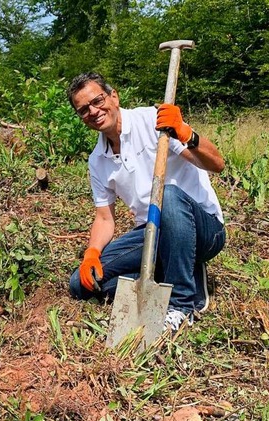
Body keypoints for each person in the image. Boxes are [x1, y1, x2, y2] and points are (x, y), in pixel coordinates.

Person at [67, 72, 226, 332]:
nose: (93, 111)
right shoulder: (98, 159)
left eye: (97, 101)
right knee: (82, 284)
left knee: (168, 195)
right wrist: (92, 252)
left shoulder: (153, 122)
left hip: (202, 229)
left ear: (114, 96)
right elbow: (104, 218)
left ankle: (182, 305)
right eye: (84, 110)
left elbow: (217, 164)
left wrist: (186, 132)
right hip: (152, 232)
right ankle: (177, 276)